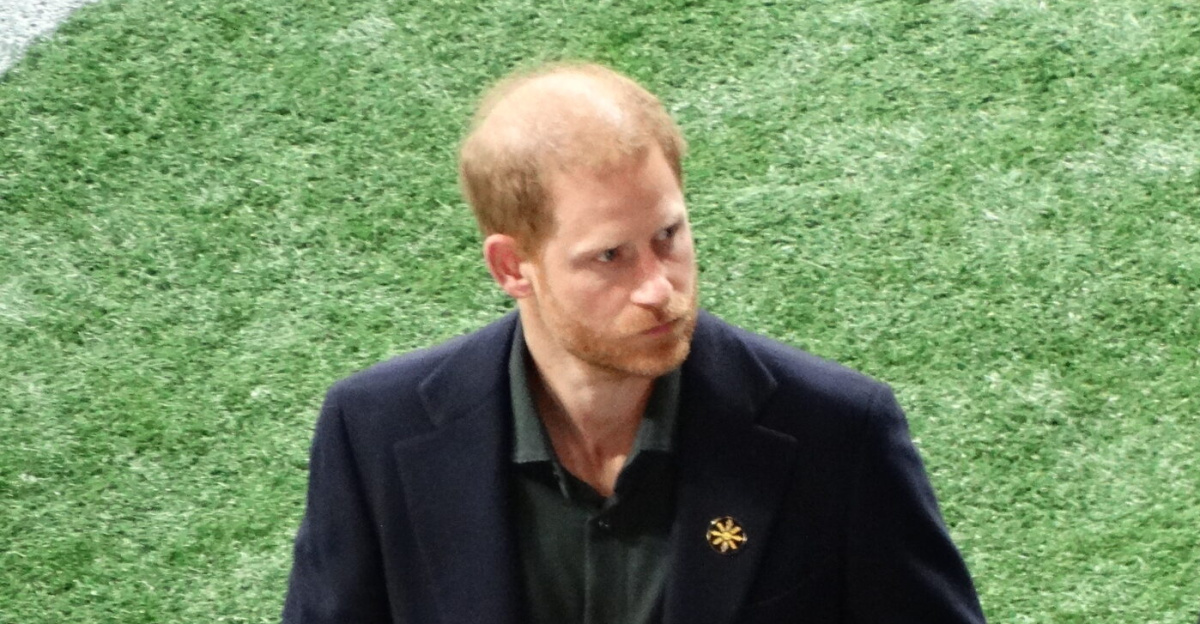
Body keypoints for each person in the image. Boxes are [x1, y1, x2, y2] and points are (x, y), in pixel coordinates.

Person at [281, 62, 987, 624]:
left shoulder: (837, 432)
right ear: (510, 267)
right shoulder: (372, 434)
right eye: (610, 258)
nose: (659, 288)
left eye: (668, 237)